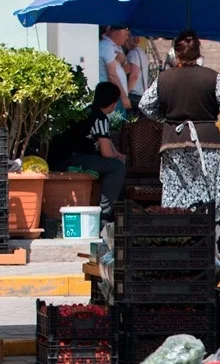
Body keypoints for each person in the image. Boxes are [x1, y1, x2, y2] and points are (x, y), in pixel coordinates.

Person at [138, 30, 220, 257]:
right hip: (208, 143)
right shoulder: (212, 77)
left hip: (175, 144)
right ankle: (214, 252)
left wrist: (165, 119)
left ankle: (176, 249)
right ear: (199, 52)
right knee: (212, 197)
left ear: (175, 53)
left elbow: (145, 105)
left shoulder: (164, 78)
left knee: (177, 197)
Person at [47, 82, 127, 227]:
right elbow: (107, 153)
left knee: (116, 163)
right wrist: (117, 158)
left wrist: (117, 154)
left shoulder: (89, 111)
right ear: (113, 103)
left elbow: (107, 141)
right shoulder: (100, 118)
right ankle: (105, 215)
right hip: (69, 159)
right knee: (117, 168)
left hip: (60, 157)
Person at [99, 26, 131, 113]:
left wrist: (124, 61)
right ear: (118, 33)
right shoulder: (106, 47)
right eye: (126, 34)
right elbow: (112, 75)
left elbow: (128, 70)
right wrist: (124, 97)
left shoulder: (118, 47)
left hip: (118, 96)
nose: (127, 38)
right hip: (112, 98)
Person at [125, 36, 150, 113]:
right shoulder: (142, 53)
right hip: (141, 94)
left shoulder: (133, 53)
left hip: (133, 94)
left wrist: (125, 94)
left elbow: (134, 76)